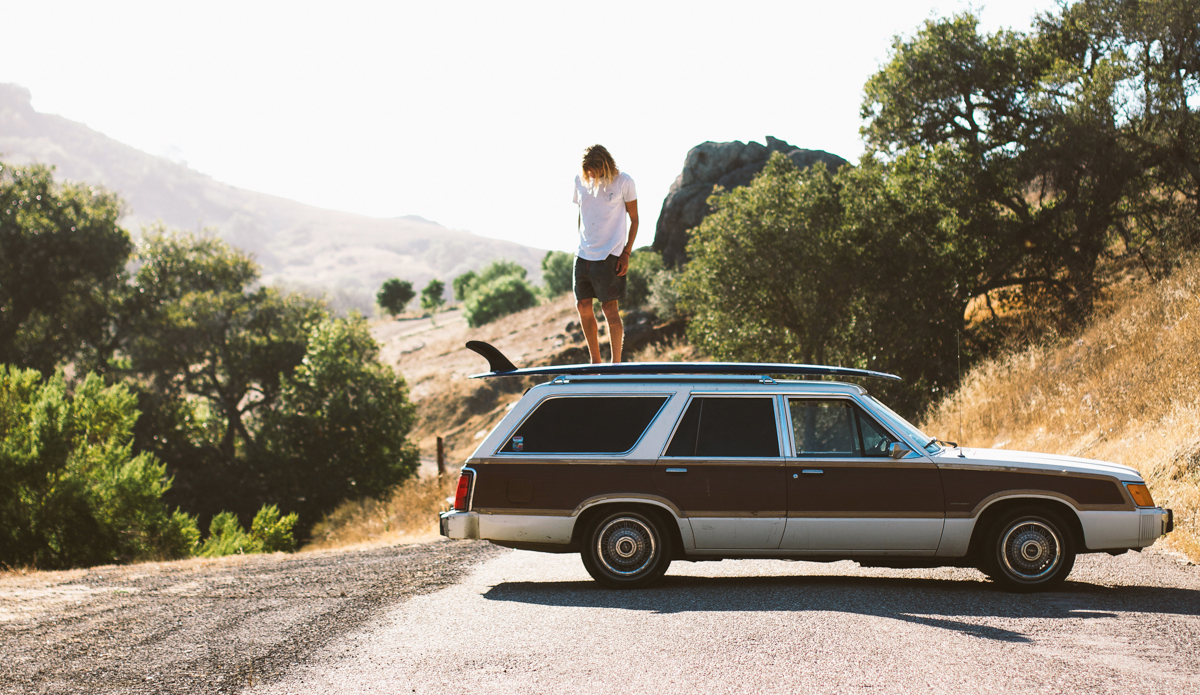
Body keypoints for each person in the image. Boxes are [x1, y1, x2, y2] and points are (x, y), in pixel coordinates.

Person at [572, 144, 638, 363]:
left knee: (610, 309)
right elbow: (582, 214)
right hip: (583, 255)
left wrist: (626, 254)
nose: (591, 175)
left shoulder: (624, 182)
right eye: (588, 171)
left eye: (595, 170)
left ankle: (616, 364)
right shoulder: (580, 181)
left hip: (610, 255)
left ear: (605, 165)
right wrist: (581, 241)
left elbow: (635, 220)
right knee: (582, 306)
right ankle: (595, 362)